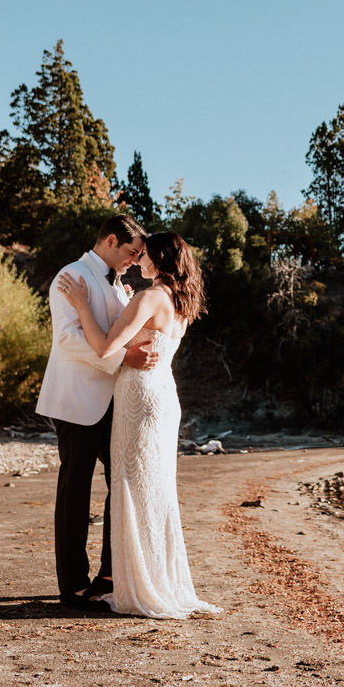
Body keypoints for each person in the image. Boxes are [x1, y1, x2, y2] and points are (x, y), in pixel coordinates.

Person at [57, 230, 220, 619]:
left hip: (138, 398)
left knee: (131, 485)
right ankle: (151, 578)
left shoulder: (148, 297)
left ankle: (135, 583)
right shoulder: (180, 303)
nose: (138, 260)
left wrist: (81, 305)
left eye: (144, 255)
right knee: (153, 487)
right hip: (164, 396)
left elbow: (102, 348)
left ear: (158, 260)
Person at [36, 214, 159, 613]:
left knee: (122, 482)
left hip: (113, 403)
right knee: (75, 492)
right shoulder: (70, 277)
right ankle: (72, 585)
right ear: (110, 241)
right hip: (77, 402)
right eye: (131, 252)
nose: (134, 260)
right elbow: (69, 340)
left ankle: (108, 575)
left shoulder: (118, 284)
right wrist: (125, 358)